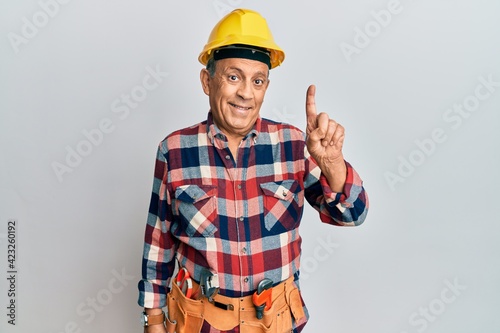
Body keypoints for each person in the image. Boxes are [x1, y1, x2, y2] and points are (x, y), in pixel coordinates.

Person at [138, 8, 368, 333]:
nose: (246, 92)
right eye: (233, 77)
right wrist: (154, 321)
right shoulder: (174, 151)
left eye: (257, 81)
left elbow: (352, 214)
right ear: (207, 81)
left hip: (275, 322)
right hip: (199, 322)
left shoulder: (294, 144)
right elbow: (158, 243)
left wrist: (332, 163)